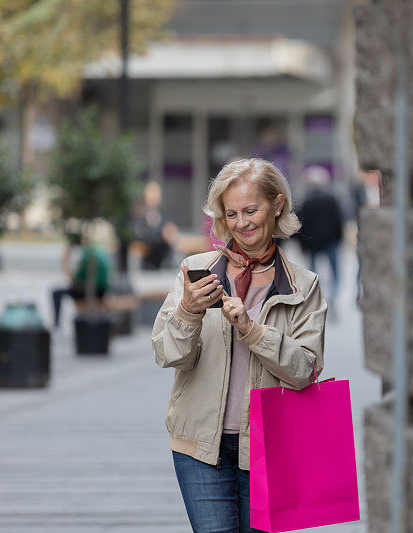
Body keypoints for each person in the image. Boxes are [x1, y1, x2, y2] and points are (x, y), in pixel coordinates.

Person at [152, 158, 328, 533]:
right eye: (231, 213)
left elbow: (306, 372)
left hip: (271, 449)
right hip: (199, 448)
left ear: (277, 205)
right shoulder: (196, 271)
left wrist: (252, 330)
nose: (241, 223)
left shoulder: (303, 285)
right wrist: (188, 312)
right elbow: (168, 354)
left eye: (251, 210)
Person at [294, 166, 344, 316]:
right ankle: (333, 297)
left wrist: (302, 246)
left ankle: (319, 302)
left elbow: (300, 226)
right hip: (331, 241)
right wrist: (340, 238)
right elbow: (338, 221)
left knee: (313, 275)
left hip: (312, 244)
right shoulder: (331, 199)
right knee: (335, 273)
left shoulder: (306, 202)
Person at [51, 233, 113, 328]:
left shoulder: (87, 255)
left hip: (93, 292)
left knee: (56, 293)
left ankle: (57, 325)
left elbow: (77, 280)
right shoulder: (96, 250)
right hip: (101, 290)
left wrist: (65, 261)